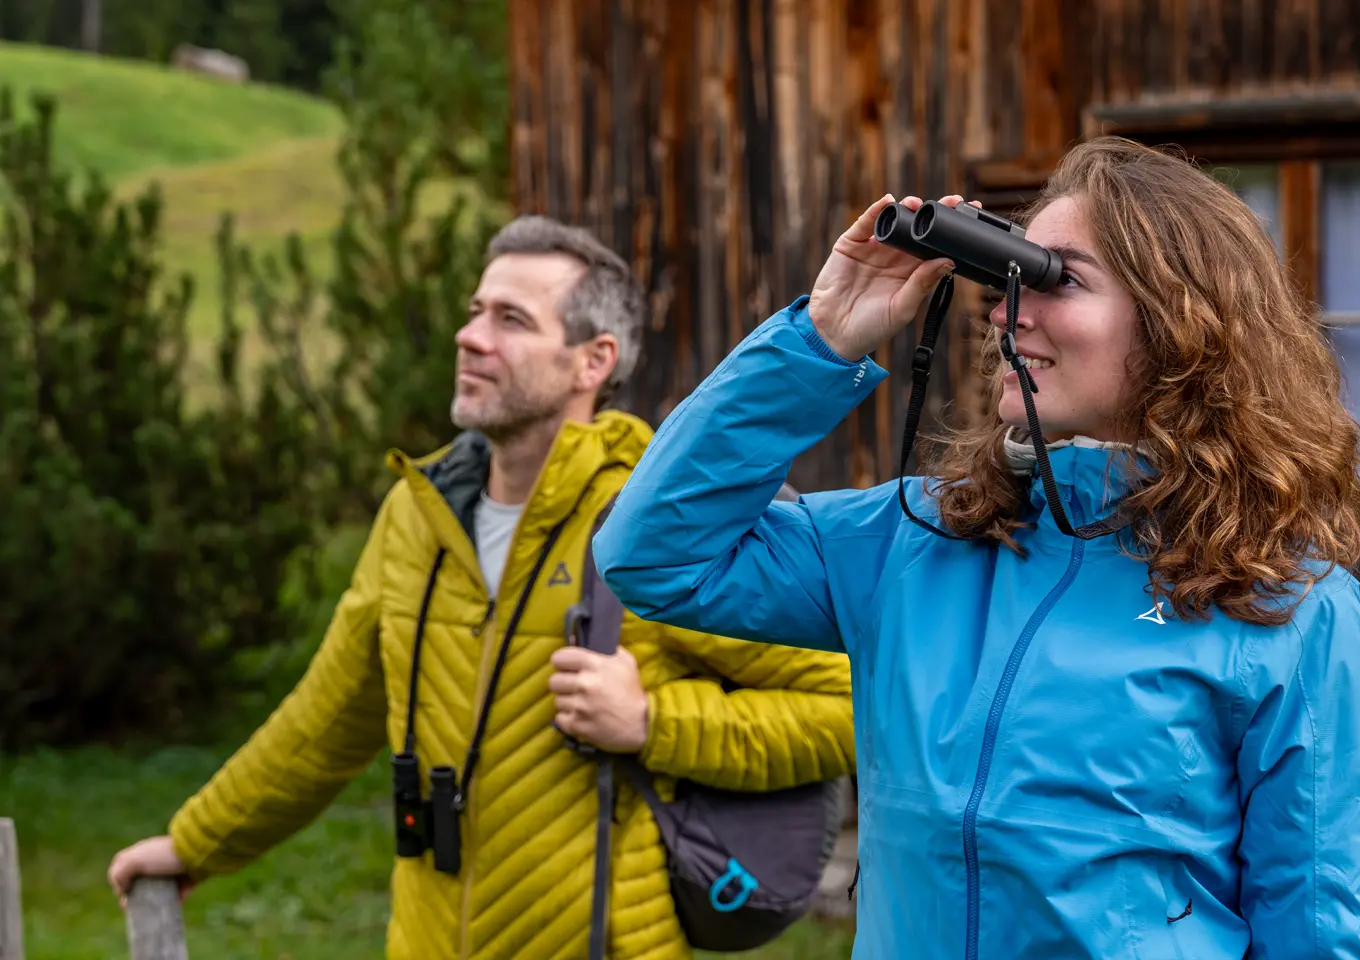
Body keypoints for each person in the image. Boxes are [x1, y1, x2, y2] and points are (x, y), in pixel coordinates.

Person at [592, 136, 1360, 959]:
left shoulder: (1287, 605)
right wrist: (823, 336)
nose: (1008, 310)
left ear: (1181, 325)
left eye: (1058, 279)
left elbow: (1330, 934)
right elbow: (654, 554)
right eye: (1009, 277)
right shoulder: (915, 541)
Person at [106, 215, 857, 960]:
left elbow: (849, 707)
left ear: (592, 361)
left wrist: (654, 721)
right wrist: (196, 842)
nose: (470, 337)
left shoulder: (654, 528)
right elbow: (326, 719)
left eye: (510, 320)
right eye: (474, 313)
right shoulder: (415, 514)